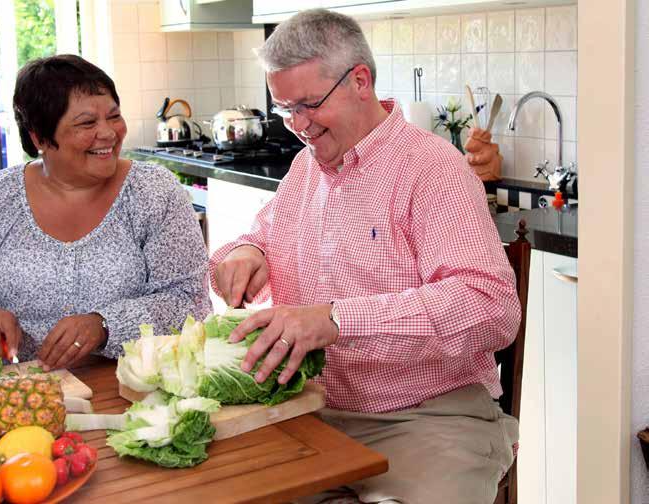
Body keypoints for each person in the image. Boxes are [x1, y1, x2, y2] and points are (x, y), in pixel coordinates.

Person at [210, 9, 520, 504]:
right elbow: (256, 238)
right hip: (310, 414)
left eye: (309, 104)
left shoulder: (433, 169)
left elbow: (491, 309)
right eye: (286, 109)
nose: (298, 126)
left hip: (426, 418)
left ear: (360, 81)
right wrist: (245, 252)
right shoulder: (304, 170)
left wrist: (337, 320)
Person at [0, 54, 210, 370]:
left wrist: (106, 327)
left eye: (114, 116)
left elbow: (190, 304)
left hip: (129, 390)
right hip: (14, 395)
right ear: (39, 137)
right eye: (86, 123)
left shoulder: (154, 192)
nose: (109, 133)